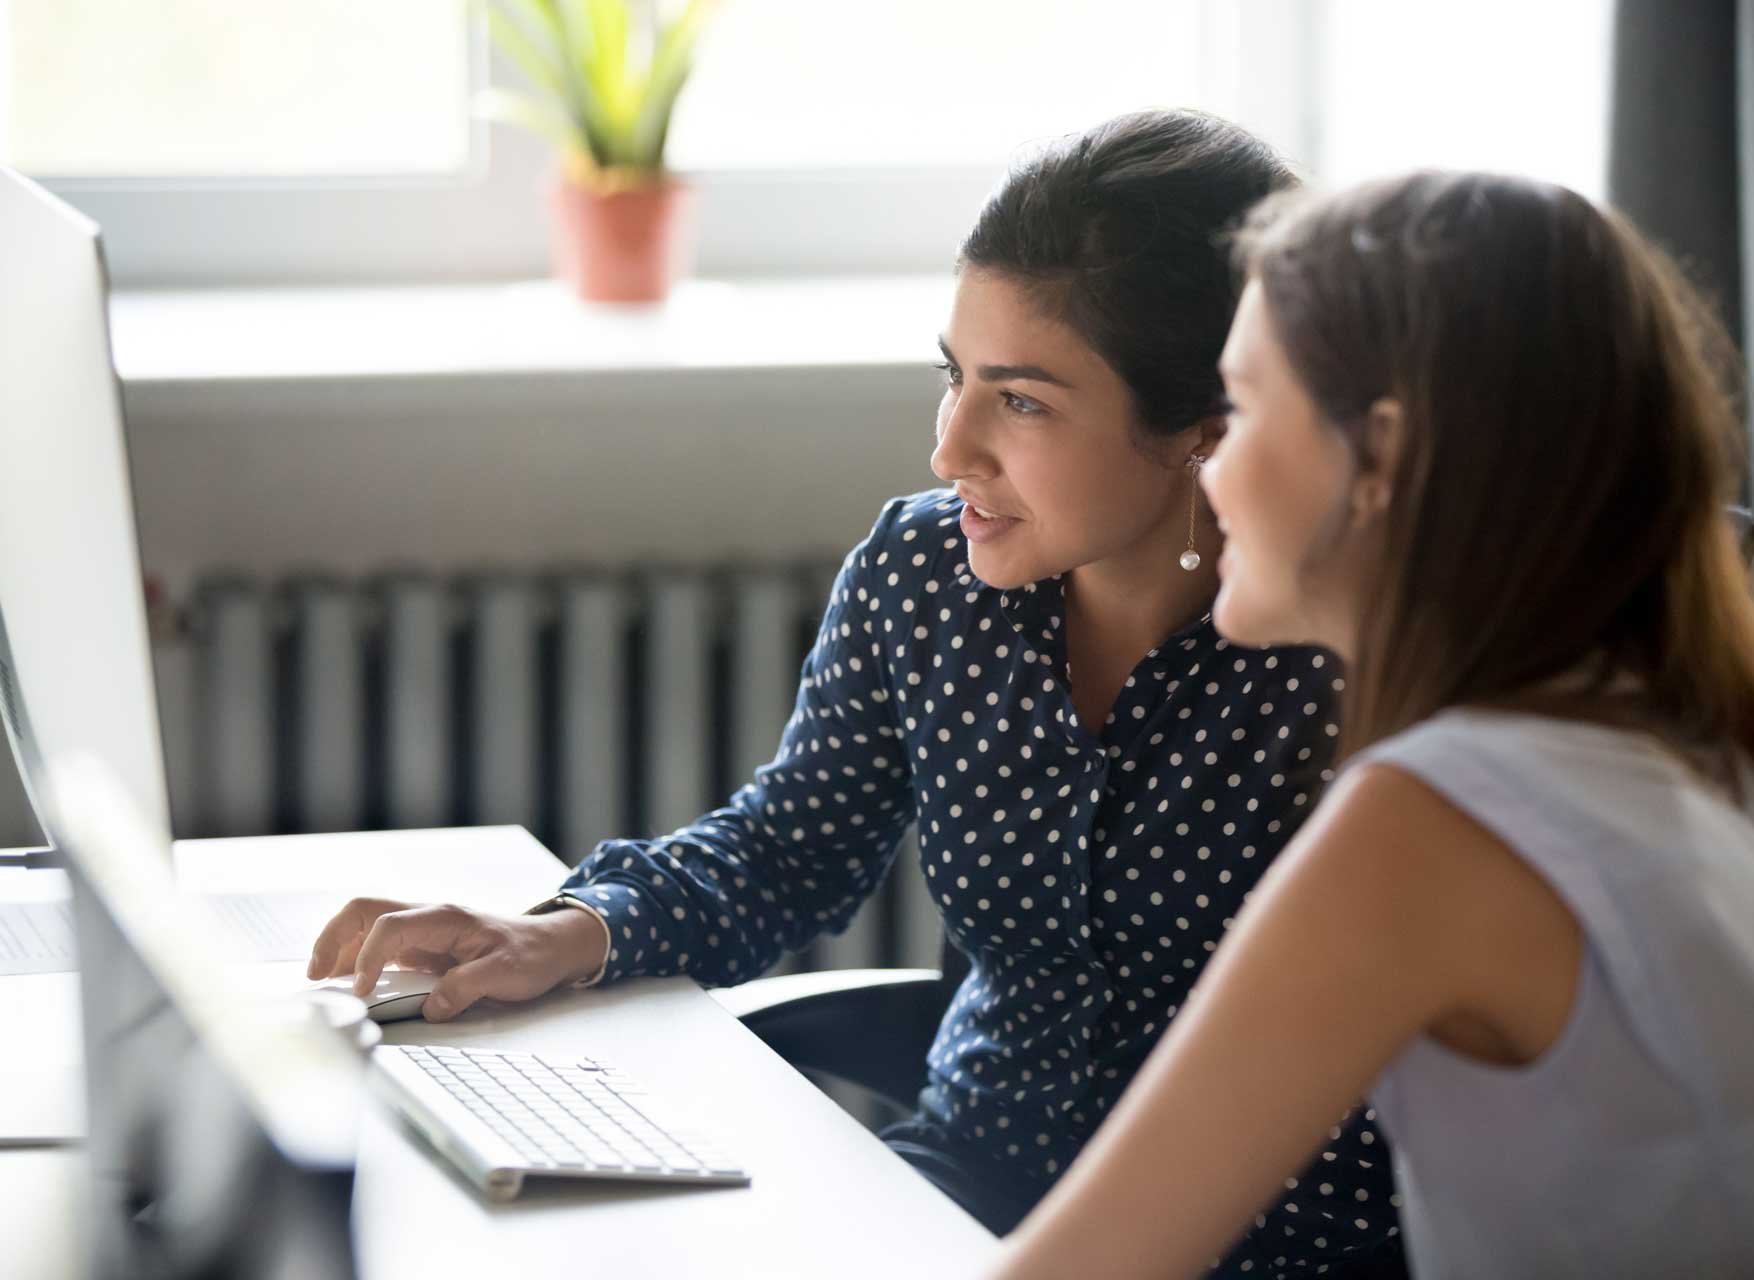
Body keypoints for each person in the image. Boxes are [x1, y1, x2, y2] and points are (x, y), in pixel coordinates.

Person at [307, 110, 1406, 1276]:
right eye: (955, 376)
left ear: (1205, 429)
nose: (951, 448)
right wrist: (570, 931)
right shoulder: (927, 575)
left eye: (1021, 401)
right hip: (965, 1186)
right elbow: (790, 845)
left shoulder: (1342, 649)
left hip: (1282, 1248)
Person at [990, 169, 1754, 1279]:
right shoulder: (1720, 764)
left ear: (1377, 458)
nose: (1213, 465)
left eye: (1242, 407)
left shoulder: (1431, 827)